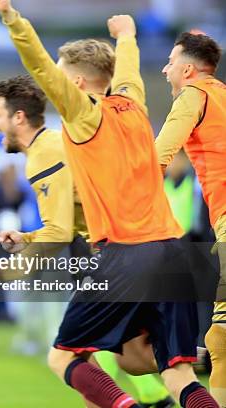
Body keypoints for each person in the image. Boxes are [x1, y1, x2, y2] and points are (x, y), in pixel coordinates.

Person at [0, 1, 218, 407]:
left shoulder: (82, 114)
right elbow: (127, 70)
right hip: (171, 251)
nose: (52, 80)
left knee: (63, 357)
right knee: (160, 368)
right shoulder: (133, 104)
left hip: (126, 253)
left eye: (60, 73)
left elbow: (38, 65)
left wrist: (11, 16)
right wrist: (126, 35)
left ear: (75, 82)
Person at [0, 74, 175, 407]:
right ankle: (214, 358)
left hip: (116, 258)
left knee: (64, 357)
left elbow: (59, 231)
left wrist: (10, 270)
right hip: (141, 248)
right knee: (133, 358)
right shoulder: (58, 143)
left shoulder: (43, 154)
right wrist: (27, 236)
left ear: (18, 117)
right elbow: (70, 220)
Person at [155, 31, 225, 405]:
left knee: (220, 336)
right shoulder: (222, 94)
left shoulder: (193, 95)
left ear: (186, 69)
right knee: (219, 337)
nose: (165, 69)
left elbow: (157, 159)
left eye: (169, 62)